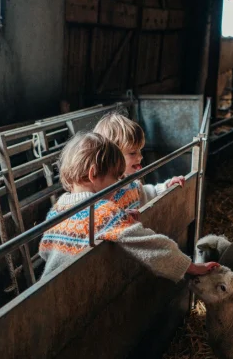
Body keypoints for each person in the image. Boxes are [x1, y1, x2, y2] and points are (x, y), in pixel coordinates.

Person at [39, 132, 218, 280]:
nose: (119, 184)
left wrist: (119, 218)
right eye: (115, 178)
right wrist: (190, 267)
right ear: (93, 174)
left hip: (47, 290)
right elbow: (151, 244)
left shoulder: (57, 209)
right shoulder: (104, 212)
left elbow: (44, 251)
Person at [93, 112, 185, 219]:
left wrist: (166, 187)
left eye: (140, 151)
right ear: (110, 156)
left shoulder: (131, 183)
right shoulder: (101, 189)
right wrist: (119, 216)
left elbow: (147, 194)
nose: (140, 157)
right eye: (132, 153)